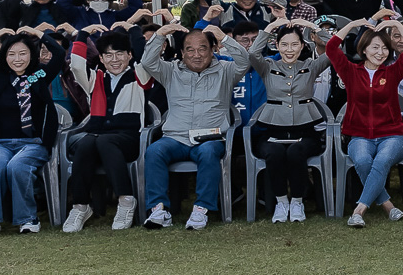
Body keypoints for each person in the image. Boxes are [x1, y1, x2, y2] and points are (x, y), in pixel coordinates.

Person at [138, 20, 242, 230]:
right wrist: (160, 34)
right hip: (175, 137)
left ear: (213, 50)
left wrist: (224, 38)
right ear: (182, 53)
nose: (196, 55)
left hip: (209, 138)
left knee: (208, 153)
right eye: (190, 50)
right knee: (154, 151)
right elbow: (148, 62)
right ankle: (159, 210)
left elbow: (245, 61)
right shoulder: (170, 71)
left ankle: (201, 210)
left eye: (202, 49)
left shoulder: (226, 70)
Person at [227, 20, 333, 223]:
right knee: (274, 154)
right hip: (273, 129)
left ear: (303, 46)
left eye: (294, 44)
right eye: (284, 44)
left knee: (295, 153)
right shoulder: (267, 66)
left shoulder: (311, 66)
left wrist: (312, 26)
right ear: (276, 45)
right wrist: (268, 29)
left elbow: (334, 50)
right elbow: (252, 54)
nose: (289, 49)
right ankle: (281, 202)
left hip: (305, 130)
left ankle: (297, 202)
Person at [0, 28, 65, 235]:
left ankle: (28, 219)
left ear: (31, 55)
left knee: (17, 167)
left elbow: (60, 54)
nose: (17, 59)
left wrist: (37, 33)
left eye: (22, 53)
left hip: (32, 143)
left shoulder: (39, 76)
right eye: (11, 54)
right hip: (0, 142)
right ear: (4, 56)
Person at [324, 14, 403, 227]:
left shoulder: (392, 71)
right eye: (375, 48)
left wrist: (395, 24)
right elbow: (331, 48)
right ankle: (388, 206)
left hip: (392, 136)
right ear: (364, 49)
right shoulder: (350, 71)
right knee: (363, 161)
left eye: (385, 48)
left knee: (382, 160)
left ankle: (359, 210)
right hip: (359, 136)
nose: (380, 53)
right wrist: (351, 24)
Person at [59, 28, 153, 232]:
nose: (115, 59)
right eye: (108, 55)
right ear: (101, 58)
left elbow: (145, 57)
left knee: (101, 141)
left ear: (129, 55)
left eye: (120, 53)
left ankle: (126, 201)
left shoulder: (140, 76)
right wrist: (82, 35)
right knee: (86, 143)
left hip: (130, 138)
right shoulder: (96, 79)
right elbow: (76, 65)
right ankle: (80, 206)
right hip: (99, 137)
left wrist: (134, 29)